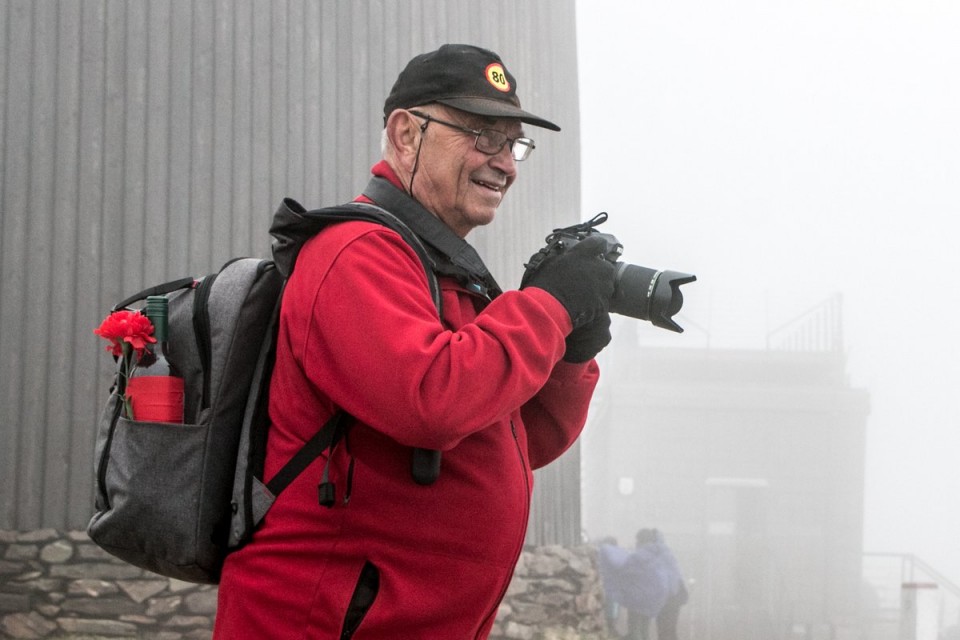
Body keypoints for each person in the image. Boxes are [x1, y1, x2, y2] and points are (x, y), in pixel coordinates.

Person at [213, 44, 618, 639]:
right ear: (406, 134)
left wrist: (571, 354)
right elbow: (431, 401)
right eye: (483, 136)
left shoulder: (442, 268)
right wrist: (547, 307)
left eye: (513, 145)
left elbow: (512, 439)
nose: (505, 163)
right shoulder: (354, 253)